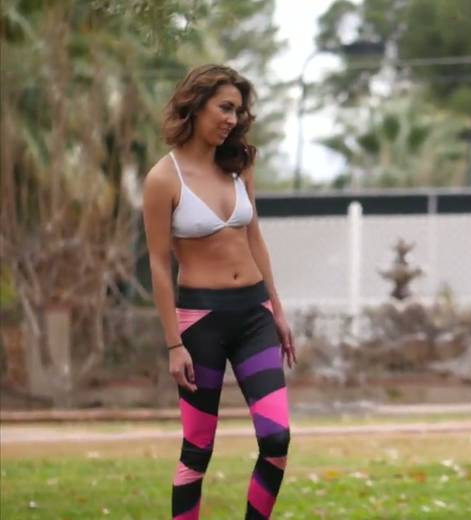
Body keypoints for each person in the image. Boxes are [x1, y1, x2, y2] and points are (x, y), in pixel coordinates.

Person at [142, 64, 297, 520]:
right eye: (225, 107)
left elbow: (255, 238)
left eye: (238, 111)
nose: (232, 119)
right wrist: (174, 344)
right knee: (196, 451)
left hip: (254, 315)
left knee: (276, 439)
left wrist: (277, 309)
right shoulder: (163, 179)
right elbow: (159, 264)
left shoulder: (238, 164)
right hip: (201, 323)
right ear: (196, 104)